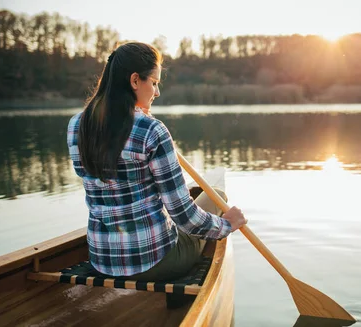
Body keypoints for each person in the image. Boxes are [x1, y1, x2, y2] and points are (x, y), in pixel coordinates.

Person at [67, 42, 247, 281]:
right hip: (154, 262)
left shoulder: (76, 126)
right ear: (134, 81)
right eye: (154, 83)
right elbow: (184, 216)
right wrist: (227, 225)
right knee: (217, 196)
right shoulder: (152, 130)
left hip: (102, 261)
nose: (157, 92)